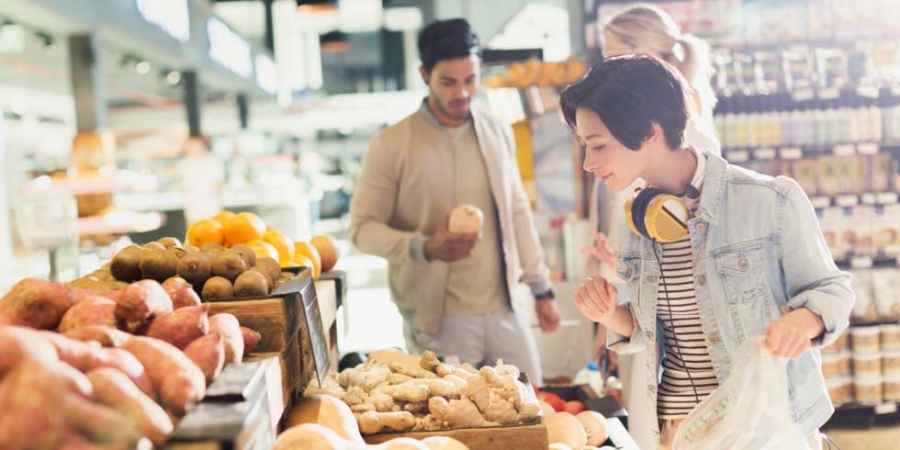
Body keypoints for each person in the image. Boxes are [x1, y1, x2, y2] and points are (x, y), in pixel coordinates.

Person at [562, 55, 853, 449]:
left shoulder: (771, 201)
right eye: (584, 147)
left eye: (597, 146)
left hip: (763, 424)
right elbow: (654, 331)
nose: (588, 163)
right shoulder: (635, 218)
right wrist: (608, 313)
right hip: (679, 428)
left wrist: (804, 321)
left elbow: (833, 291)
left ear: (649, 130)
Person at [348, 19, 560, 381]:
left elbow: (516, 210)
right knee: (455, 431)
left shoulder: (495, 131)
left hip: (505, 309)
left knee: (534, 411)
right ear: (424, 75)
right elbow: (361, 231)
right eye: (449, 82)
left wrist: (541, 288)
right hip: (438, 320)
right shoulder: (390, 146)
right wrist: (424, 246)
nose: (462, 93)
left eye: (470, 80)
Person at [582, 7, 721, 448]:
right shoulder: (632, 122)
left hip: (664, 315)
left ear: (643, 54)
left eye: (614, 55)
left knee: (647, 411)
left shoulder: (686, 133)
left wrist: (626, 261)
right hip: (632, 291)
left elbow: (691, 245)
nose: (606, 70)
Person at [176, 135, 224, 227]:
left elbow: (218, 185)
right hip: (192, 209)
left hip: (211, 208)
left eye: (193, 145)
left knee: (213, 234)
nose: (189, 148)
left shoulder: (213, 162)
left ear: (201, 145)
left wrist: (221, 205)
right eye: (188, 145)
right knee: (194, 236)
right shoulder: (184, 163)